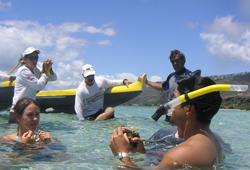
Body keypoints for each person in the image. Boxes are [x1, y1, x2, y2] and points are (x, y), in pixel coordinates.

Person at [109, 71, 224, 169]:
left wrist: (122, 154)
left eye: (174, 98)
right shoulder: (211, 140)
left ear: (188, 109)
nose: (169, 103)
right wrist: (145, 152)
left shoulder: (185, 151)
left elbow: (178, 157)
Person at [138, 49, 191, 121]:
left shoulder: (190, 76)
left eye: (177, 61)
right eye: (172, 61)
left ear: (184, 61)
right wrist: (147, 82)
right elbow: (162, 87)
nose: (175, 63)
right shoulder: (171, 77)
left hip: (183, 116)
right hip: (170, 115)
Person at [9, 47, 57, 123]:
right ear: (24, 59)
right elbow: (39, 86)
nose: (34, 60)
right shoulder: (23, 70)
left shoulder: (35, 70)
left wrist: (49, 69)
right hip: (19, 111)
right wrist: (44, 71)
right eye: (31, 58)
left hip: (29, 111)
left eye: (36, 57)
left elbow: (53, 78)